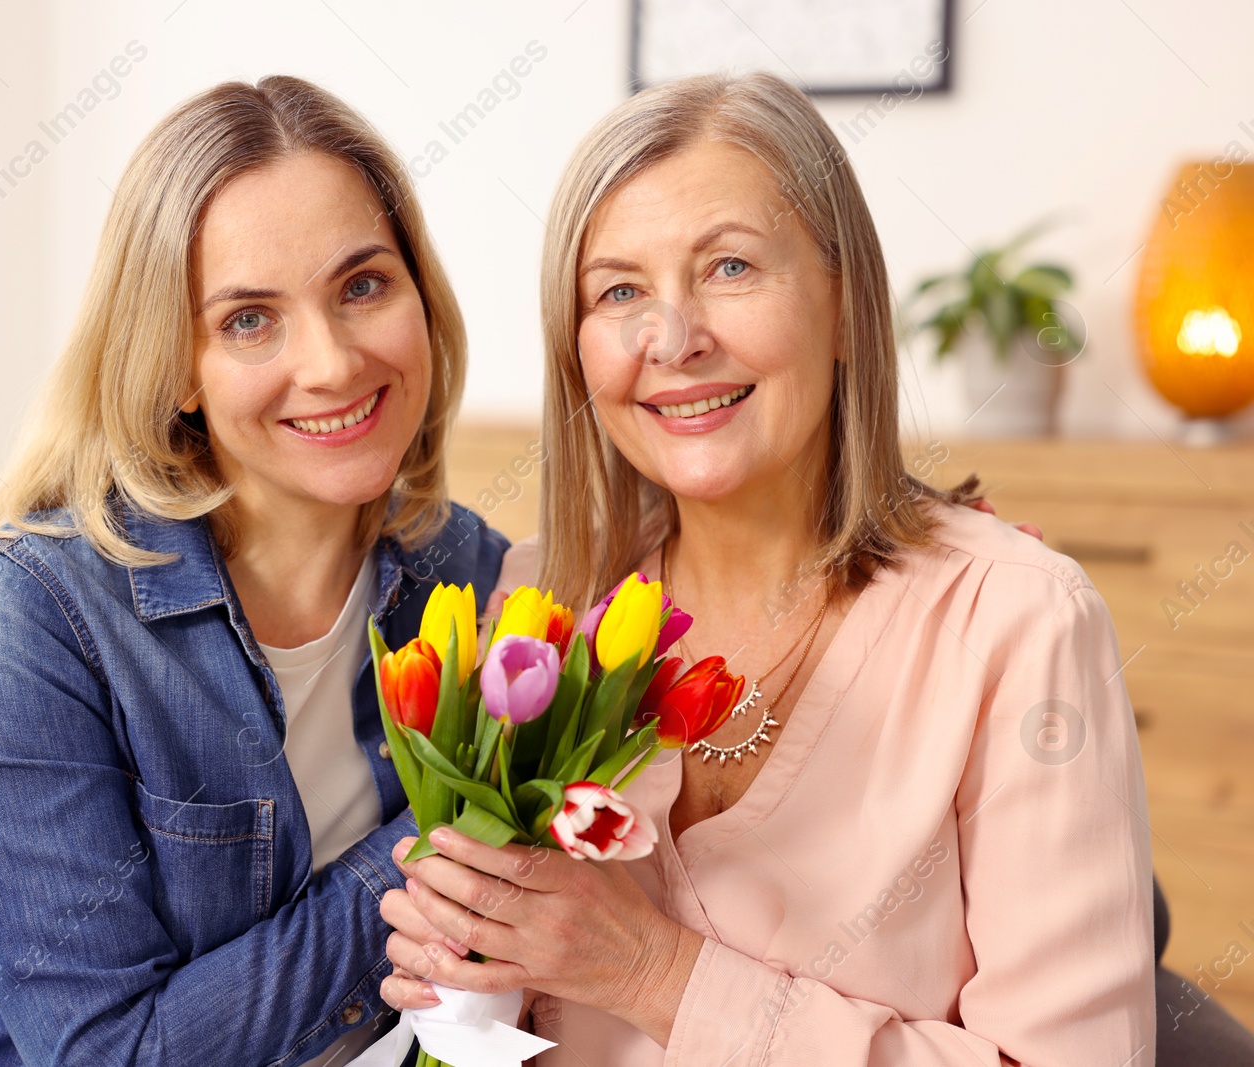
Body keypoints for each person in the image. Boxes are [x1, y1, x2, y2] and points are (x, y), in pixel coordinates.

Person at [378, 71, 1155, 1066]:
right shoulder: (541, 610)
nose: (673, 338)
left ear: (842, 301)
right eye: (618, 290)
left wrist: (656, 973)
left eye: (731, 268)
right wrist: (470, 969)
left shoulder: (1013, 619)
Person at [0, 76, 502, 1067]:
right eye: (248, 319)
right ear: (174, 366)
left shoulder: (467, 570)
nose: (329, 362)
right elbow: (104, 1054)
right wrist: (430, 855)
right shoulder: (30, 609)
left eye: (362, 284)